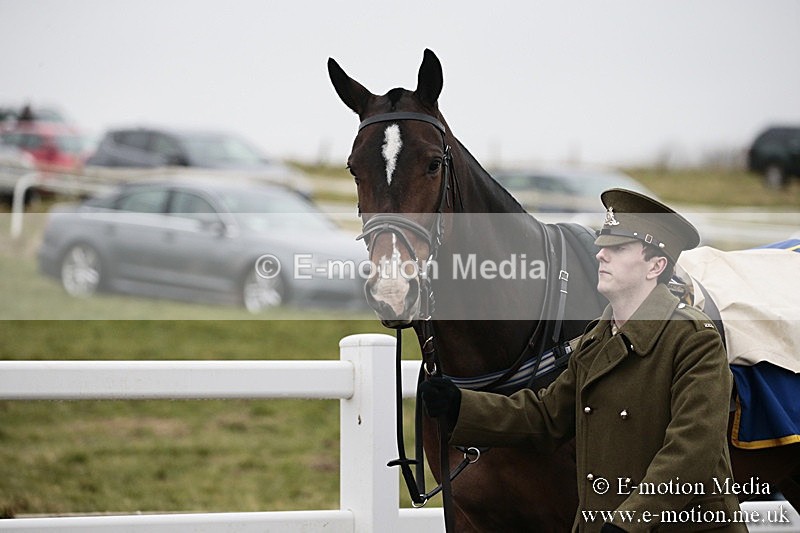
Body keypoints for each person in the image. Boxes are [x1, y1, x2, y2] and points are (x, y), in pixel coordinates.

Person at [421, 188, 745, 532]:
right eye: (602, 246)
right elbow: (546, 415)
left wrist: (630, 521)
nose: (600, 254)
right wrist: (461, 405)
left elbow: (692, 450)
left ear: (656, 265)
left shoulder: (693, 339)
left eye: (618, 248)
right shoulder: (597, 338)